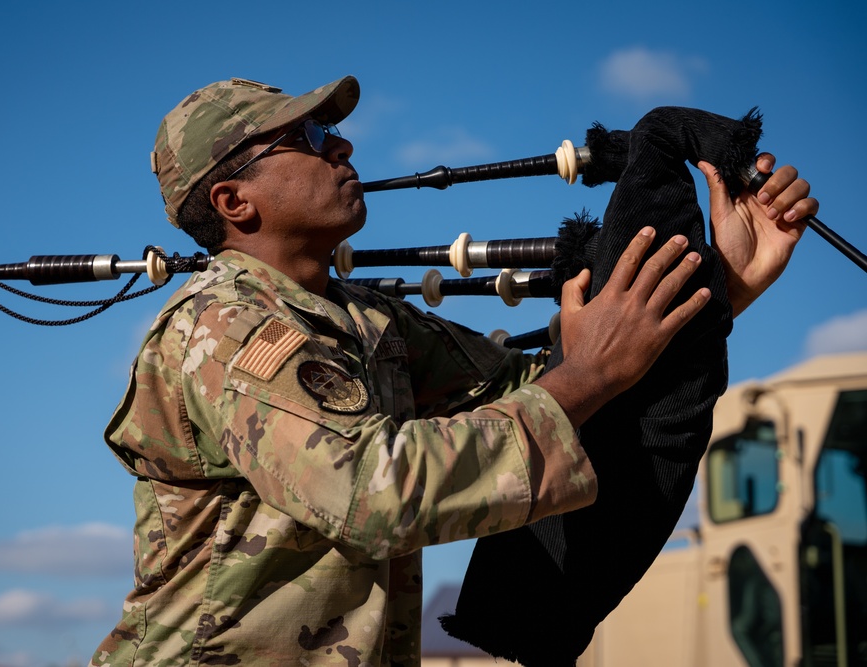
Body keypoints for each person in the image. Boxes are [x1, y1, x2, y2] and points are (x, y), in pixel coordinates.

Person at [90, 76, 816, 666]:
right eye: (306, 137)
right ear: (234, 201)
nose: (341, 143)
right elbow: (371, 492)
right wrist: (588, 376)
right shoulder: (221, 326)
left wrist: (717, 287)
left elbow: (547, 391)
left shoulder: (368, 319)